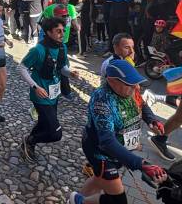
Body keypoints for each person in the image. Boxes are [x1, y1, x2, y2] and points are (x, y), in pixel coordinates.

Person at [69, 60, 167, 204]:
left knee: (98, 179)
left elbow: (142, 104)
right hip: (101, 153)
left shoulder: (133, 89)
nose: (135, 87)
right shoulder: (102, 100)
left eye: (135, 82)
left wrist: (152, 120)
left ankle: (75, 199)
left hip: (119, 149)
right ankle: (80, 201)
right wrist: (141, 164)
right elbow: (107, 142)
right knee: (118, 201)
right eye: (129, 84)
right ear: (111, 81)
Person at [19, 16, 80, 160]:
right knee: (55, 133)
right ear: (48, 32)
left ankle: (28, 143)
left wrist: (70, 73)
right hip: (40, 95)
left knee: (43, 122)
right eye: (58, 31)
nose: (62, 34)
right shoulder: (38, 50)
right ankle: (30, 140)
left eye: (63, 31)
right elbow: (21, 67)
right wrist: (35, 87)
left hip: (54, 93)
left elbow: (61, 68)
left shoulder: (62, 47)